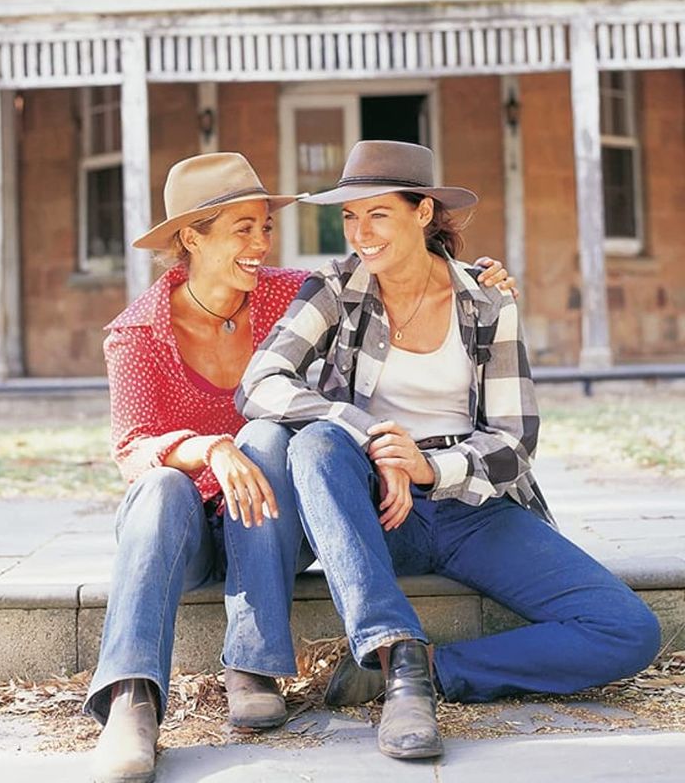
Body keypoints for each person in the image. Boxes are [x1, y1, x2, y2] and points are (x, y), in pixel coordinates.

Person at [85, 149, 514, 783]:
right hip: (187, 533)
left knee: (265, 434)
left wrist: (470, 276)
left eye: (266, 226)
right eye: (244, 230)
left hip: (276, 524)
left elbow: (388, 272)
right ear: (189, 239)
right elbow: (131, 449)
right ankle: (132, 703)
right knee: (160, 489)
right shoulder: (138, 332)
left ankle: (253, 663)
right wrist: (207, 448)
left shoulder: (289, 292)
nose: (262, 243)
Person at [237, 139, 661, 763]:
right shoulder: (334, 286)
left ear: (423, 212)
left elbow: (516, 442)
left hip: (473, 508)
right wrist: (373, 438)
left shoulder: (487, 302)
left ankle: (434, 669)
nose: (361, 233)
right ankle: (396, 656)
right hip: (380, 508)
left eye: (378, 213)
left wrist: (432, 465)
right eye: (350, 216)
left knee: (628, 630)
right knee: (320, 444)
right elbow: (261, 381)